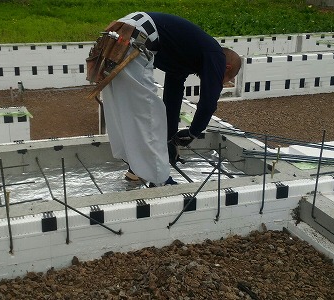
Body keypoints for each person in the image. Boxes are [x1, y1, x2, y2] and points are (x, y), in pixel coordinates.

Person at [100, 12, 241, 186]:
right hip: (136, 38)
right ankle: (162, 181)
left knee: (127, 110)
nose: (219, 80)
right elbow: (208, 102)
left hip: (120, 32)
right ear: (226, 68)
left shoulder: (185, 54)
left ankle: (137, 168)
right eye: (223, 78)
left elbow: (172, 98)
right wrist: (193, 132)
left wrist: (170, 140)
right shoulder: (216, 54)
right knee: (149, 113)